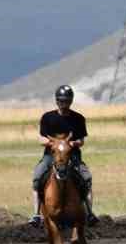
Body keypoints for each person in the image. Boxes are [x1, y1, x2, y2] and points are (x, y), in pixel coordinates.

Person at [29, 85, 96, 226]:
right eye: (61, 101)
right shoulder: (47, 118)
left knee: (87, 178)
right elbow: (41, 139)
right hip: (51, 156)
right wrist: (53, 143)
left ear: (71, 101)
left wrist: (72, 144)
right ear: (56, 101)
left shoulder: (78, 119)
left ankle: (90, 213)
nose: (63, 104)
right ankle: (36, 214)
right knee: (37, 176)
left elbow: (81, 141)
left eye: (66, 101)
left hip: (72, 156)